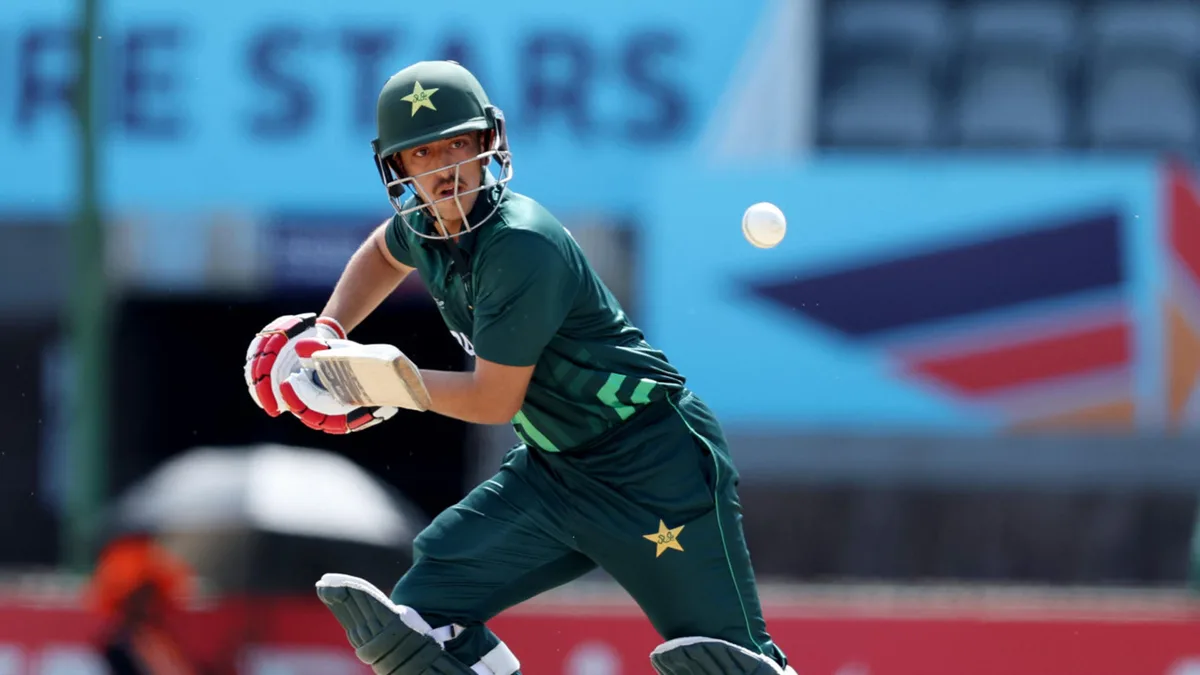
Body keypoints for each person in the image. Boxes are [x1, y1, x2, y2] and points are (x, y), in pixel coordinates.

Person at [244, 60, 794, 675]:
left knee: (732, 665)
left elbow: (492, 401)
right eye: (423, 153)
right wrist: (330, 328)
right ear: (396, 168)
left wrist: (388, 384)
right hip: (554, 473)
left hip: (654, 465)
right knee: (423, 626)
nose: (446, 168)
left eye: (459, 144)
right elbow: (382, 251)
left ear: (488, 145)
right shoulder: (424, 227)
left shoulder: (522, 243)